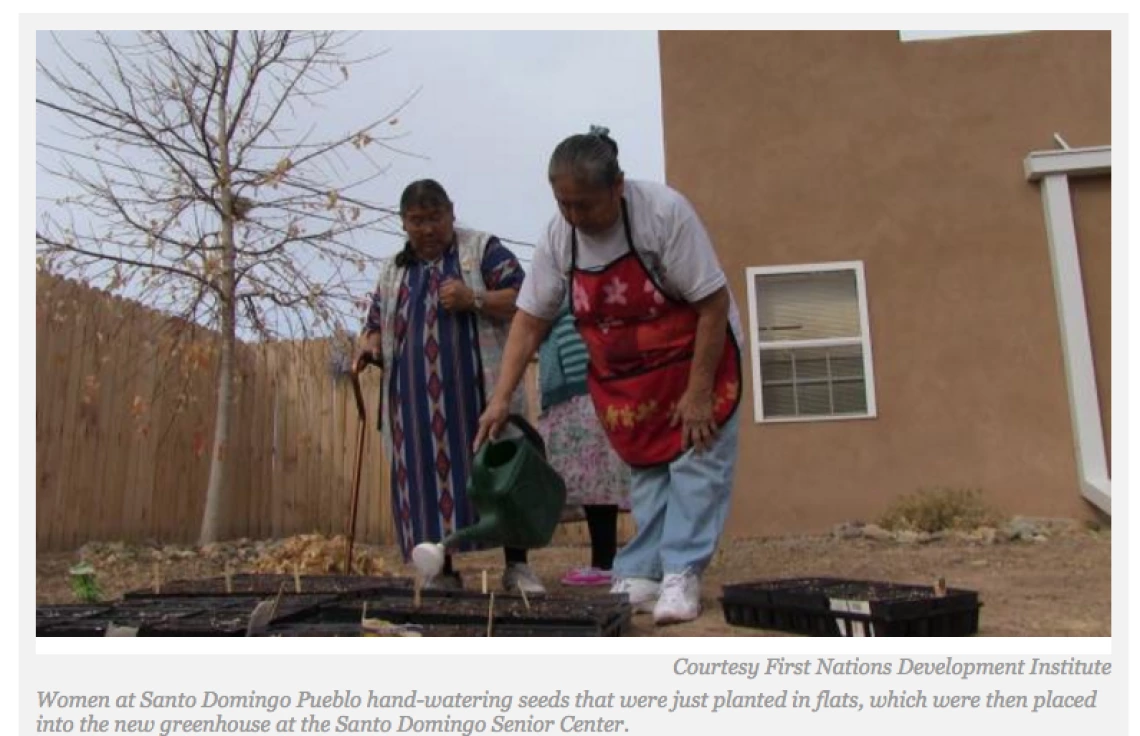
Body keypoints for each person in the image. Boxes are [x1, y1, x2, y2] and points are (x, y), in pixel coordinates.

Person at [474, 127, 743, 625]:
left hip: (696, 355)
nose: (575, 217)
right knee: (646, 467)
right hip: (630, 374)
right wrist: (500, 397)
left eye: (586, 205)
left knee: (695, 461)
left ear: (618, 187)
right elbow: (530, 318)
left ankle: (682, 572)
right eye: (564, 204)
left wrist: (700, 391)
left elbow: (712, 302)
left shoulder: (663, 215)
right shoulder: (560, 237)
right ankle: (642, 570)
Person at [354, 179, 545, 593]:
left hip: (480, 398)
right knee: (423, 484)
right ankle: (440, 570)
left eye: (435, 218)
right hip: (412, 408)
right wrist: (369, 347)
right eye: (417, 221)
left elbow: (526, 299)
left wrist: (473, 298)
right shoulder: (392, 271)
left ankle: (517, 569)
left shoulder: (482, 250)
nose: (427, 229)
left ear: (451, 212)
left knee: (501, 474)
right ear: (403, 223)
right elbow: (373, 325)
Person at [537, 299, 631, 587]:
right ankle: (605, 561)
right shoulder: (557, 302)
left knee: (599, 482)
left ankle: (607, 563)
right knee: (594, 484)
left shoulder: (577, 295)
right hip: (578, 396)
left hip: (591, 392)